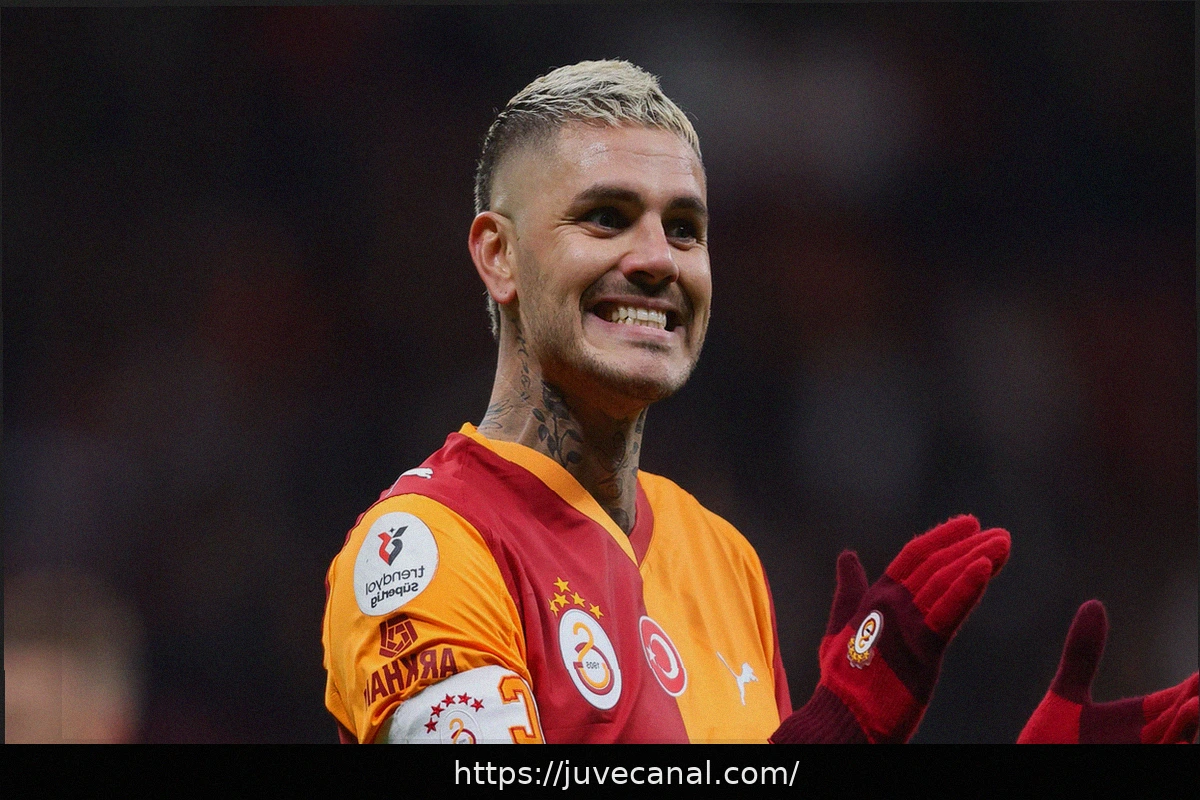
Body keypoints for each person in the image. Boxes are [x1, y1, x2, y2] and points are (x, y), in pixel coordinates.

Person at [321, 60, 1197, 744]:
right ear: (498, 255)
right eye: (605, 217)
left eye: (685, 228)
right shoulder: (428, 549)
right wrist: (830, 734)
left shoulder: (723, 558)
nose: (657, 259)